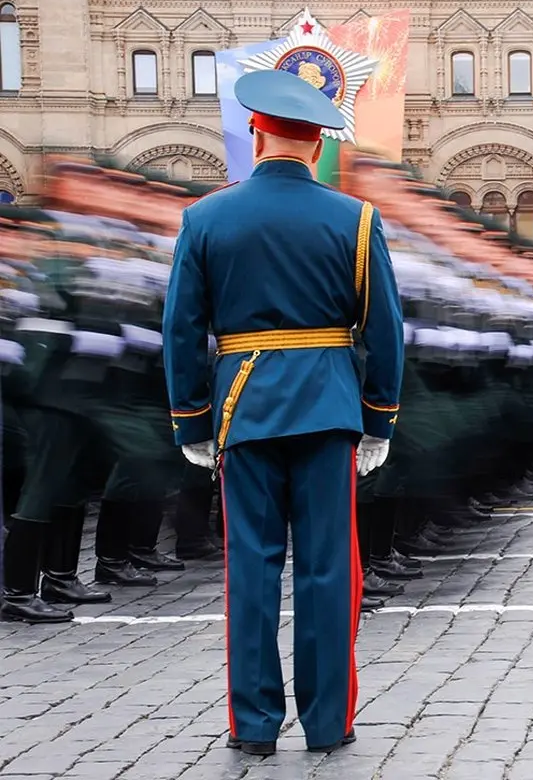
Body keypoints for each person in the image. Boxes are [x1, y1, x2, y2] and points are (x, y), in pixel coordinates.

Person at [161, 70, 404, 755]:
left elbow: (181, 328)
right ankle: (329, 724)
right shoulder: (355, 219)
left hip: (244, 407)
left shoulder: (205, 218)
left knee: (252, 570)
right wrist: (379, 418)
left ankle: (255, 726)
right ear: (318, 143)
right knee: (330, 570)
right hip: (329, 408)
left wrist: (192, 420)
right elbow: (384, 327)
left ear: (254, 133)